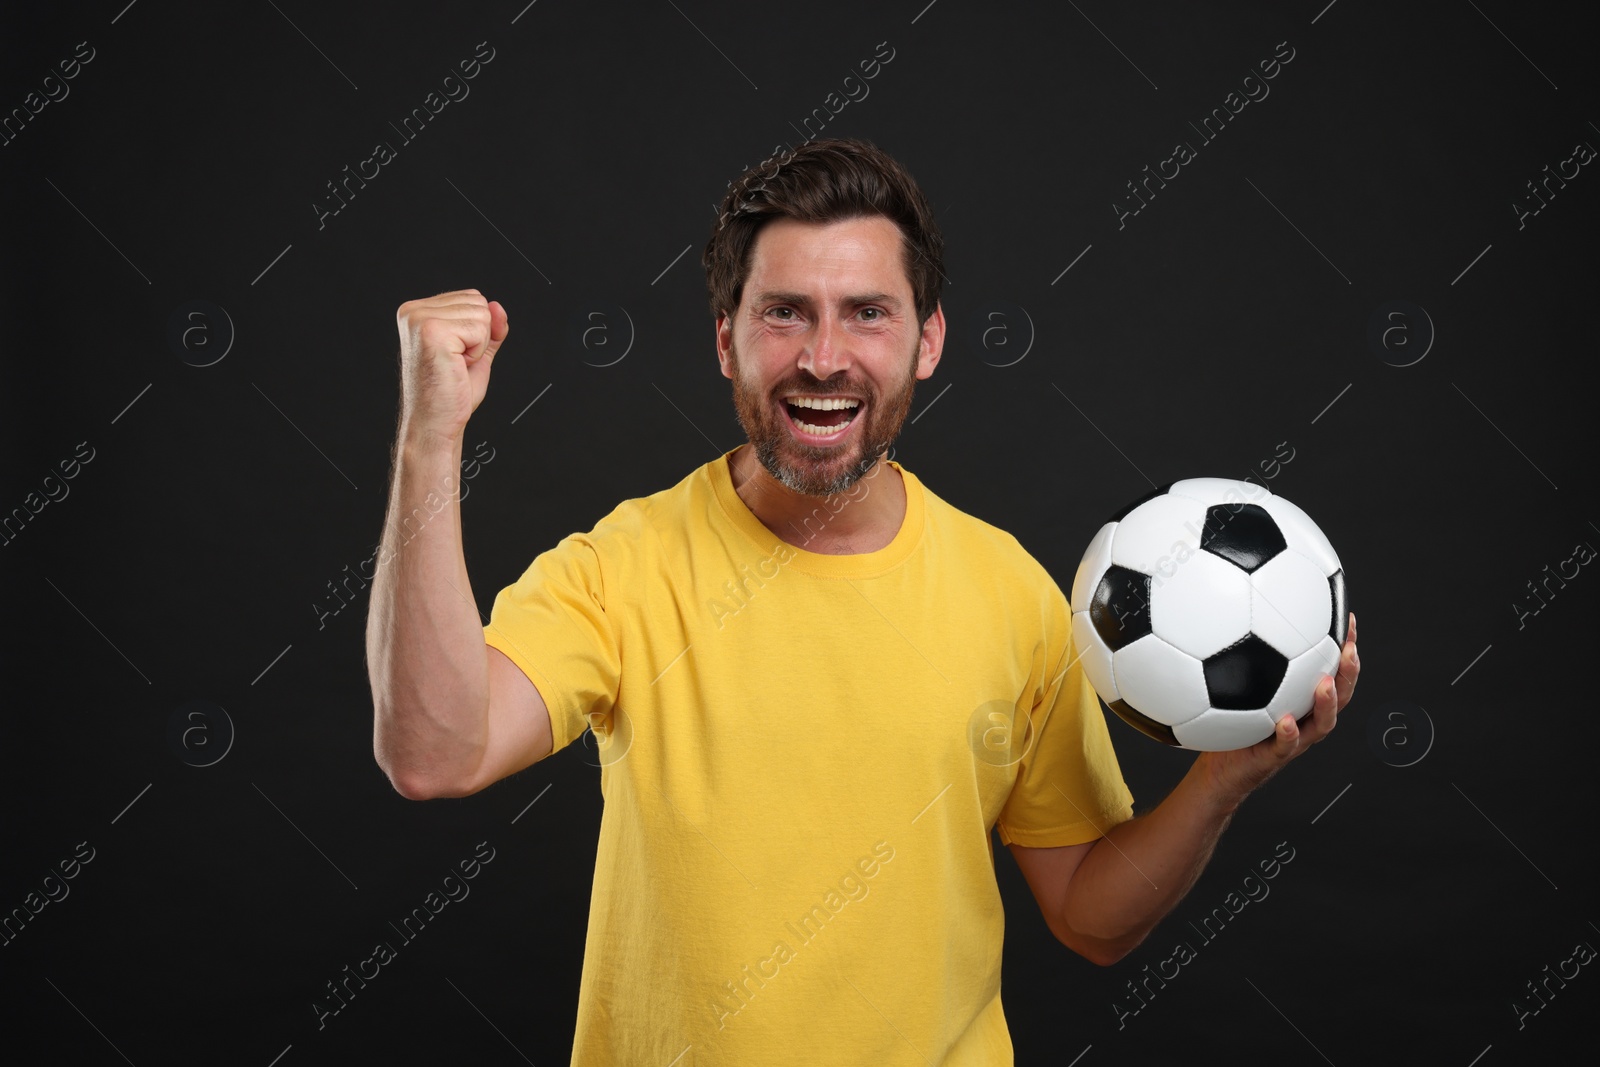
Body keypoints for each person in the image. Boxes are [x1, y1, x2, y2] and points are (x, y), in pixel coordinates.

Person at [366, 138, 1360, 1065]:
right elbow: (433, 752)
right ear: (725, 339)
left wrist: (1224, 777)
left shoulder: (1009, 592)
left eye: (867, 312)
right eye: (784, 310)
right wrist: (431, 437)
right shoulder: (626, 566)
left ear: (927, 342)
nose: (823, 356)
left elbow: (1089, 918)